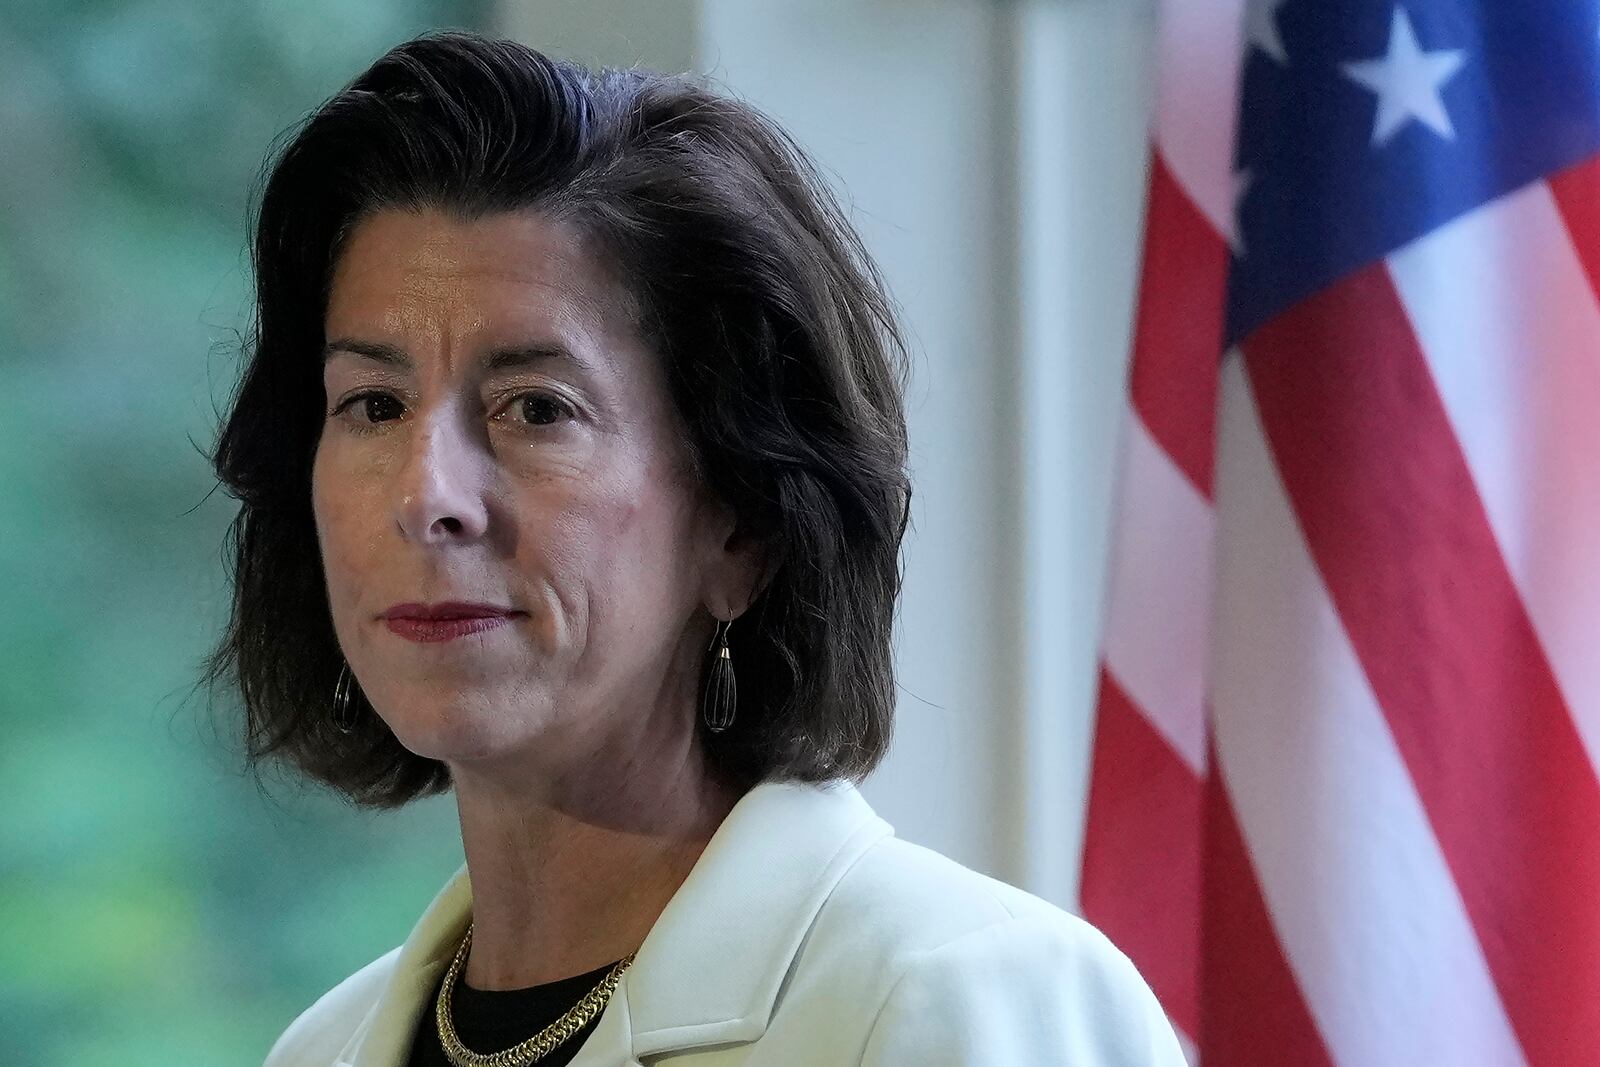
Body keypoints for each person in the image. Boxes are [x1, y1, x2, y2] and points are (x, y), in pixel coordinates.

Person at [207, 29, 1185, 1066]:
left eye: (536, 407)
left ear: (745, 522)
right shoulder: (320, 1047)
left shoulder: (959, 995)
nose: (427, 494)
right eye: (373, 403)